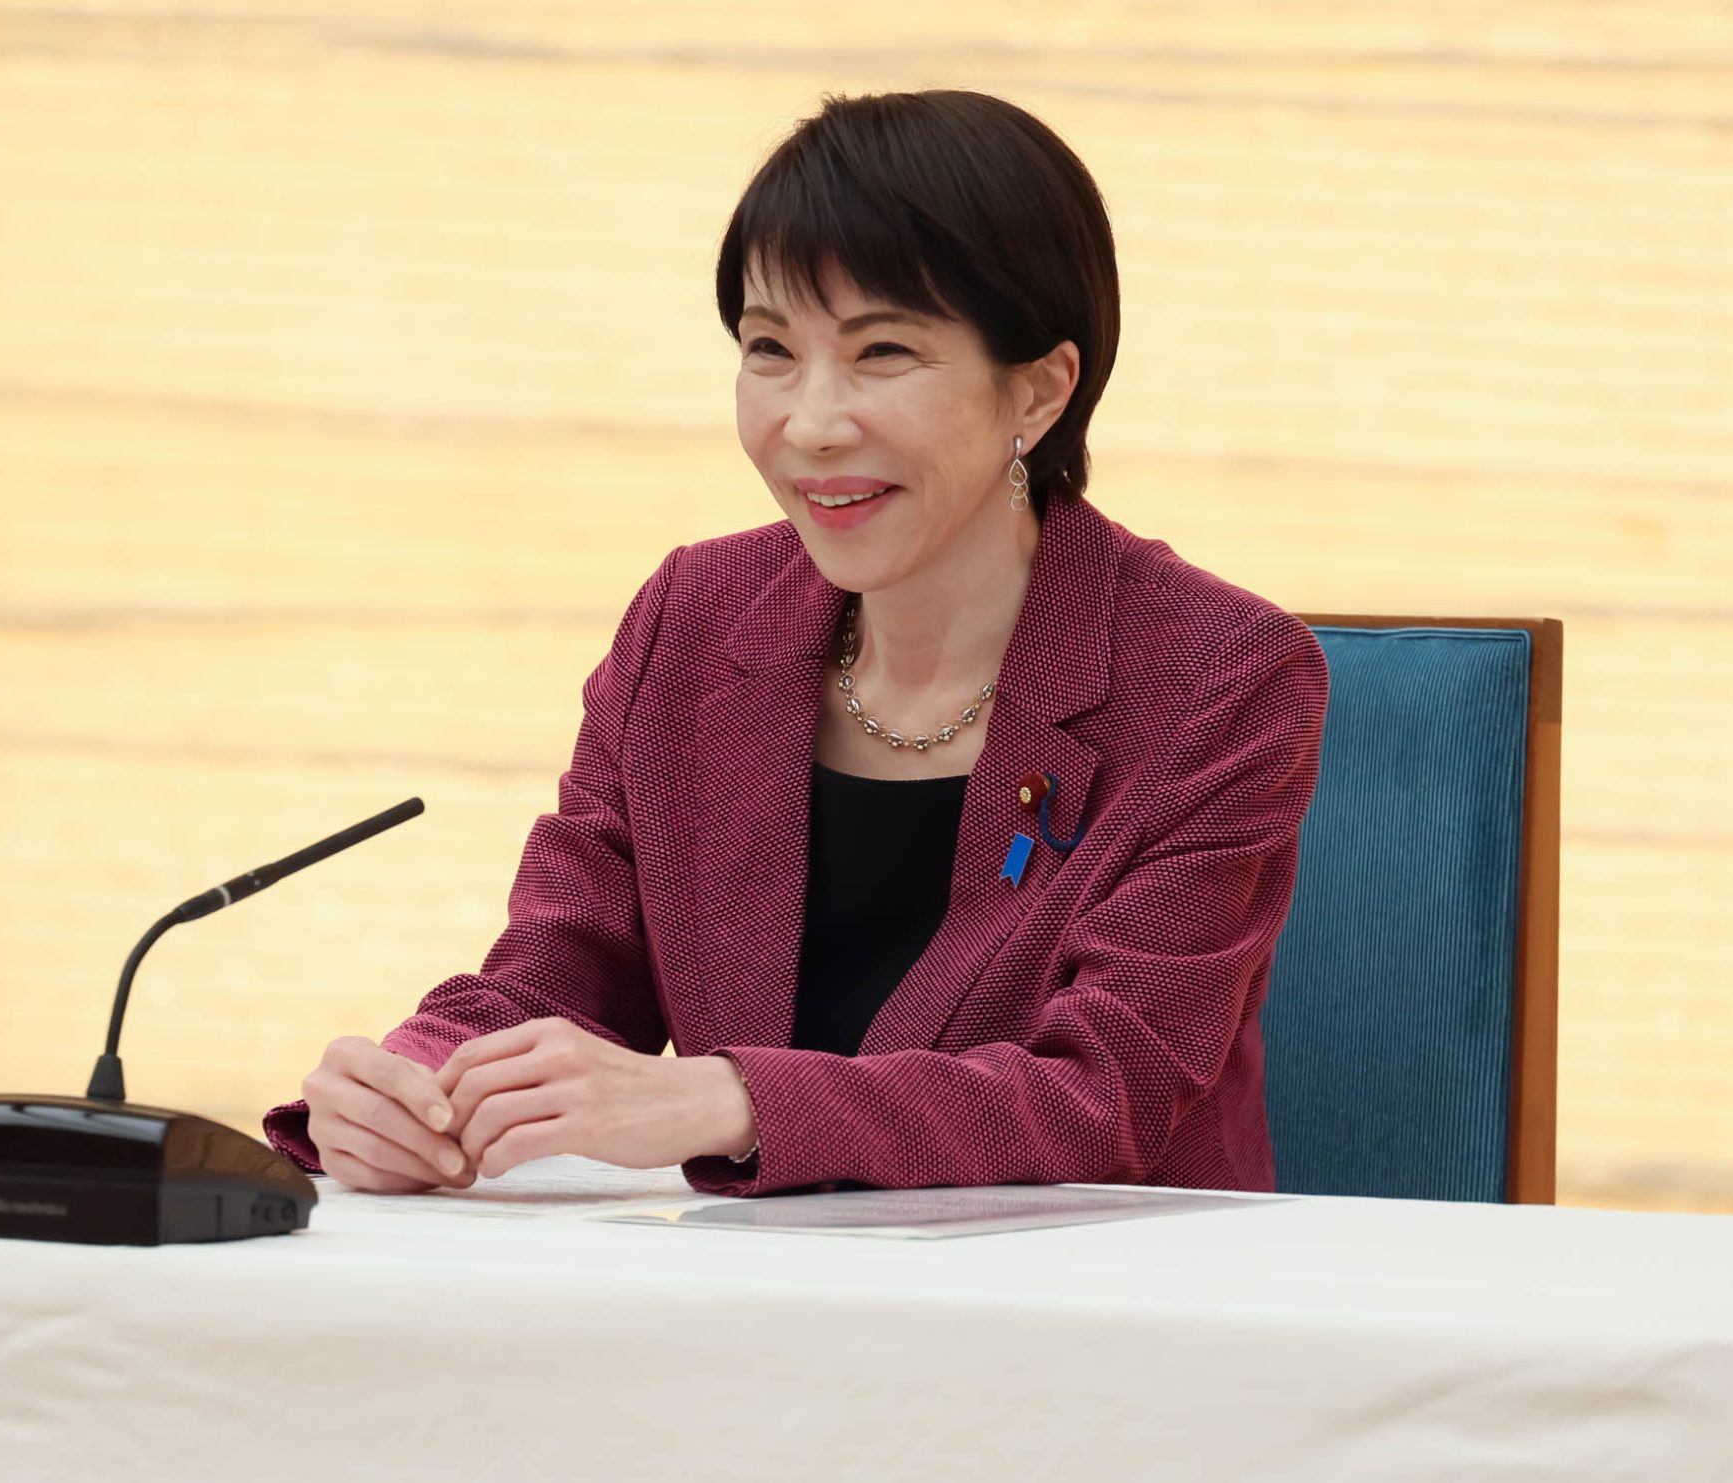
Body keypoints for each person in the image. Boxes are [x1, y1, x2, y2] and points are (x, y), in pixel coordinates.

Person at [263, 89, 1330, 1198]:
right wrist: (417, 1085)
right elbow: (563, 963)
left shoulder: (1221, 676)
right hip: (757, 1307)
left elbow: (1101, 1094)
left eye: (881, 354)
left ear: (1039, 389)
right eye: (770, 349)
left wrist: (732, 1099)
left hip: (1093, 1314)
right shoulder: (695, 616)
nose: (811, 423)